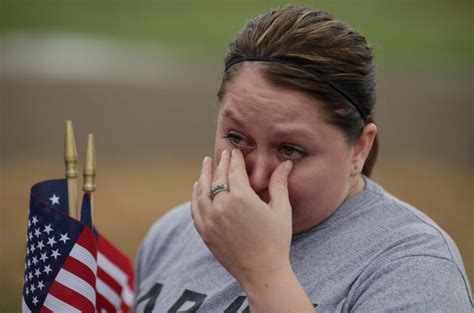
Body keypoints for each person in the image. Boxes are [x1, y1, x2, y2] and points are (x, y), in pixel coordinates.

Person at [135, 5, 472, 312]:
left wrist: (264, 273)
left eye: (290, 150)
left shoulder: (413, 265)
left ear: (359, 149)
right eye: (237, 138)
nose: (256, 178)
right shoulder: (175, 233)